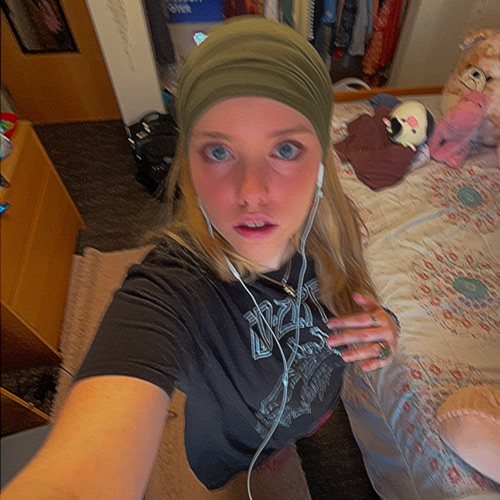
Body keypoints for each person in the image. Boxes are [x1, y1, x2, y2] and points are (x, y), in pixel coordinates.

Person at [2, 15, 399, 499]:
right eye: (218, 152)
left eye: (285, 148)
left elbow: (361, 309)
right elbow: (83, 466)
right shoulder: (172, 290)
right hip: (237, 442)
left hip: (315, 407)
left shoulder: (333, 232)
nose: (251, 192)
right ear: (188, 162)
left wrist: (385, 327)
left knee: (296, 433)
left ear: (321, 162)